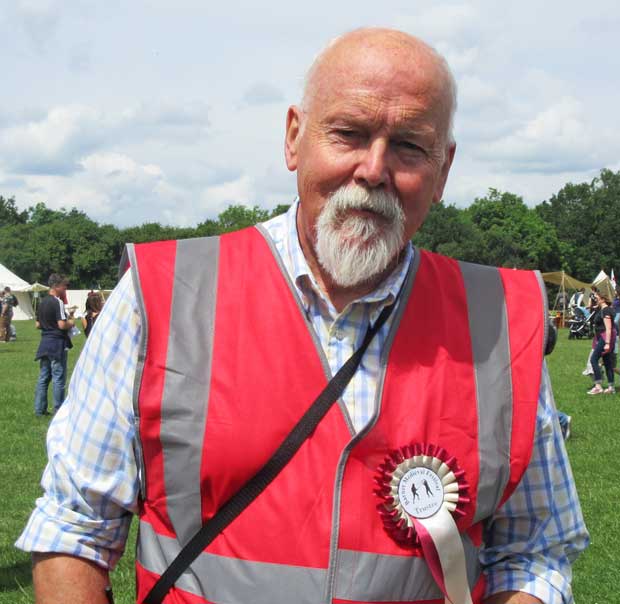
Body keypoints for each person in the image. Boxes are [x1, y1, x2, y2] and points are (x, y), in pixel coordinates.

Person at [17, 29, 588, 604]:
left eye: (410, 146)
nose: (373, 169)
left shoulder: (497, 323)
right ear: (294, 138)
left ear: (444, 170)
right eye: (348, 133)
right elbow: (76, 528)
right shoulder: (161, 296)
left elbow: (533, 550)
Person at [33, 273, 75, 416]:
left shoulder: (42, 302)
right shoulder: (57, 302)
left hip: (44, 343)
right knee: (58, 377)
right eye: (64, 286)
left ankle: (39, 410)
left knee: (44, 377)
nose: (65, 288)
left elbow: (37, 325)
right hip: (57, 343)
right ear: (56, 286)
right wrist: (71, 323)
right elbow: (62, 324)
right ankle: (59, 410)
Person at [586, 290, 616, 394]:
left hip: (605, 337)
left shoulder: (606, 310)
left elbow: (608, 328)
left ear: (602, 299)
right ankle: (611, 387)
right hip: (604, 337)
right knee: (607, 362)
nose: (595, 298)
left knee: (594, 359)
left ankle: (598, 386)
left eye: (596, 297)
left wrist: (607, 343)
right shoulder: (603, 309)